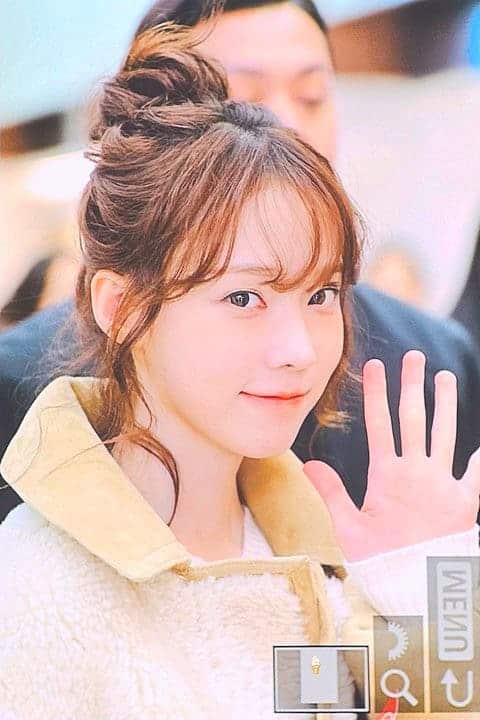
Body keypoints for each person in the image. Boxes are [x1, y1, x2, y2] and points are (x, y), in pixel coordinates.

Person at [0, 18, 479, 719]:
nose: (299, 348)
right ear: (122, 307)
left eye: (321, 295)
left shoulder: (301, 552)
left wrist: (430, 586)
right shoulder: (40, 595)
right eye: (244, 298)